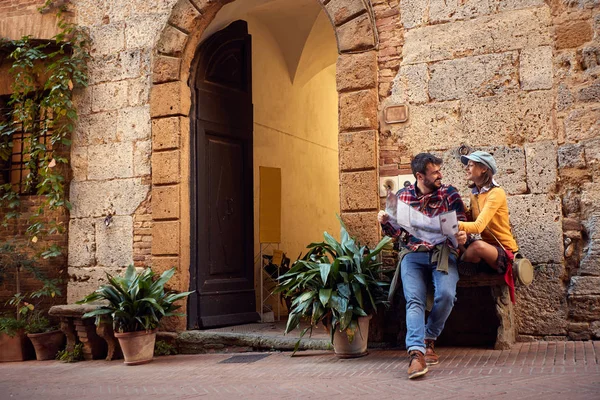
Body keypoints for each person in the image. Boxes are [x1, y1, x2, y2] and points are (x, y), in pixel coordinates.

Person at [378, 153, 467, 380]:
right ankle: (416, 354)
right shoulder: (403, 197)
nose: (440, 175)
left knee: (446, 295)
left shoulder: (449, 193)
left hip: (443, 252)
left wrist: (462, 236)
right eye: (435, 172)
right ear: (420, 175)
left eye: (439, 170)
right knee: (414, 299)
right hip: (413, 254)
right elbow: (396, 233)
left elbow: (462, 223)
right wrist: (386, 222)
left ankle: (429, 337)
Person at [456, 151, 519, 303]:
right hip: (488, 248)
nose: (467, 168)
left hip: (503, 250)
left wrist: (450, 224)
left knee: (476, 246)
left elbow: (478, 227)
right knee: (459, 240)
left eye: (470, 165)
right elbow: (471, 218)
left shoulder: (496, 193)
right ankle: (466, 264)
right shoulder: (474, 194)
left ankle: (461, 267)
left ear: (483, 168)